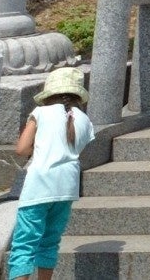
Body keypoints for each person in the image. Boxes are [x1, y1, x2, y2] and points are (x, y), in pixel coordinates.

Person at [7, 65, 94, 280]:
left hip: (40, 185)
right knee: (50, 241)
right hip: (67, 188)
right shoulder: (85, 120)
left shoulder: (41, 112)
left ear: (50, 92)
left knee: (24, 244)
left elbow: (22, 149)